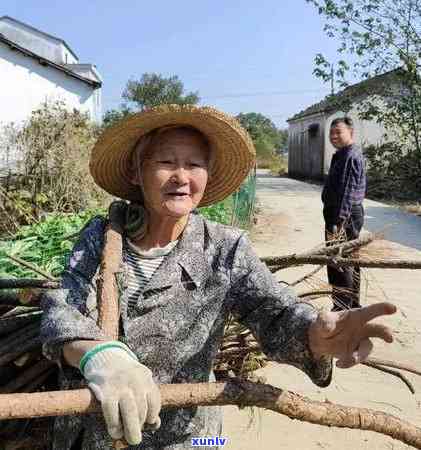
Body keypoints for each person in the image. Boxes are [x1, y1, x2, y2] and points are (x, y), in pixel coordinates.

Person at [40, 105, 394, 450]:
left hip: (186, 439)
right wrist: (101, 356)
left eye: (195, 164)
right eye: (166, 162)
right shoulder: (100, 236)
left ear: (206, 177)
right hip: (93, 436)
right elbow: (62, 307)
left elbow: (277, 313)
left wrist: (317, 335)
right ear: (136, 172)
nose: (182, 176)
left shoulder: (225, 248)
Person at [322, 117, 367, 311]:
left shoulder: (351, 156)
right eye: (331, 133)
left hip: (344, 215)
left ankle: (343, 308)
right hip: (342, 214)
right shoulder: (341, 154)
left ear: (351, 132)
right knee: (349, 260)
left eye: (338, 132)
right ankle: (352, 305)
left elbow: (348, 193)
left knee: (340, 262)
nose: (334, 136)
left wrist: (338, 222)